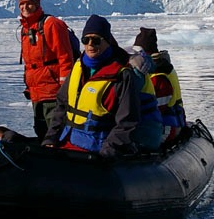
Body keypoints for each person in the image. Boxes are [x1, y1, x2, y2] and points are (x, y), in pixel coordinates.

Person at [42, 14, 141, 158]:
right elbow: (61, 107)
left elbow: (127, 122)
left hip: (97, 151)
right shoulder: (78, 67)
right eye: (85, 40)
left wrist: (107, 153)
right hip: (68, 144)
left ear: (107, 41)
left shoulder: (121, 75)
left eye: (96, 40)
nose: (90, 45)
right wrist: (51, 138)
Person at [18, 0, 75, 138]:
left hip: (53, 91)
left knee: (56, 131)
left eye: (29, 3)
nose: (25, 7)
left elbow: (65, 57)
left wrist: (65, 87)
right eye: (22, 4)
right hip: (37, 92)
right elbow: (29, 63)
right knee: (41, 130)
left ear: (37, 4)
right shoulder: (25, 29)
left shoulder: (51, 24)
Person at [134, 27, 187, 144]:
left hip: (168, 126)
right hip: (172, 121)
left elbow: (156, 111)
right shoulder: (162, 68)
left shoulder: (158, 76)